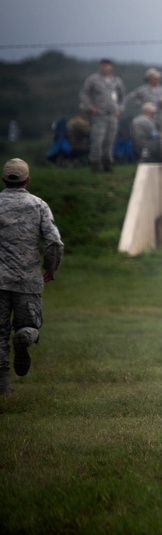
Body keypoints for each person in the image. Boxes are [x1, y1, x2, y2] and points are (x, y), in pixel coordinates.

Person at [0, 159, 64, 395]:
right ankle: (26, 336)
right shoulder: (38, 205)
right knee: (28, 324)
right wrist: (50, 268)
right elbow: (54, 242)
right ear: (27, 180)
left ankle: (3, 386)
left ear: (4, 179)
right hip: (28, 281)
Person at [79, 58, 125, 171]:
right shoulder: (93, 79)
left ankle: (107, 163)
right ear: (100, 66)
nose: (106, 67)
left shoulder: (117, 81)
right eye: (104, 65)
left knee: (109, 141)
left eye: (108, 65)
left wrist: (120, 109)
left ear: (112, 67)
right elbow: (84, 94)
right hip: (99, 115)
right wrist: (90, 107)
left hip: (113, 115)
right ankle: (95, 163)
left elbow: (122, 97)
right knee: (98, 140)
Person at [124, 68, 162, 162]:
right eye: (155, 78)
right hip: (149, 118)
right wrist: (142, 105)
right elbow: (130, 98)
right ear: (150, 79)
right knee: (152, 137)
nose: (157, 80)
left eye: (158, 78)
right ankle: (150, 158)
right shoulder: (143, 90)